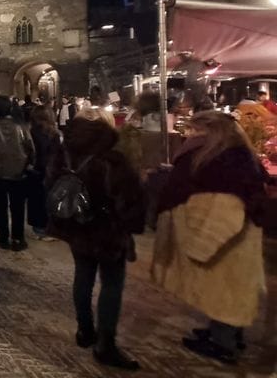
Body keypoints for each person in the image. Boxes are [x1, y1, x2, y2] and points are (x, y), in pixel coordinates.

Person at [151, 111, 270, 365]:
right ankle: (224, 332)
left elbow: (223, 203)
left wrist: (201, 236)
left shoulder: (220, 159)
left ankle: (223, 343)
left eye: (195, 130)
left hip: (227, 234)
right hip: (238, 235)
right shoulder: (235, 154)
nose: (190, 134)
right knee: (228, 287)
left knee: (226, 290)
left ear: (211, 131)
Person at [46, 108, 145, 370]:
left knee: (83, 276)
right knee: (112, 285)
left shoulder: (65, 150)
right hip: (108, 230)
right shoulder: (112, 154)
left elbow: (51, 182)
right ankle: (106, 345)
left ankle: (84, 331)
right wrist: (131, 225)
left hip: (78, 226)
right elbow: (130, 196)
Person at [0, 95, 35, 251]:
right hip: (19, 174)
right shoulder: (22, 127)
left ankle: (3, 237)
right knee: (18, 207)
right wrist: (28, 166)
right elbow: (31, 150)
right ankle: (18, 238)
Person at [28, 105, 59, 241]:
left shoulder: (31, 132)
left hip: (35, 171)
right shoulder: (54, 134)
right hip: (49, 171)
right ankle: (46, 229)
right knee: (48, 200)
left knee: (35, 200)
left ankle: (38, 228)